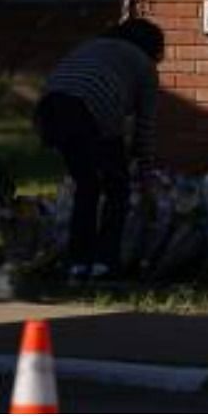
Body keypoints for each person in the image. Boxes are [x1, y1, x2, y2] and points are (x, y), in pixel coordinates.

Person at [34, 18, 162, 280]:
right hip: (92, 110)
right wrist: (146, 179)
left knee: (87, 186)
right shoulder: (144, 65)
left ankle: (78, 262)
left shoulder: (93, 45)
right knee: (117, 189)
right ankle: (105, 263)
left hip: (49, 109)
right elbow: (144, 130)